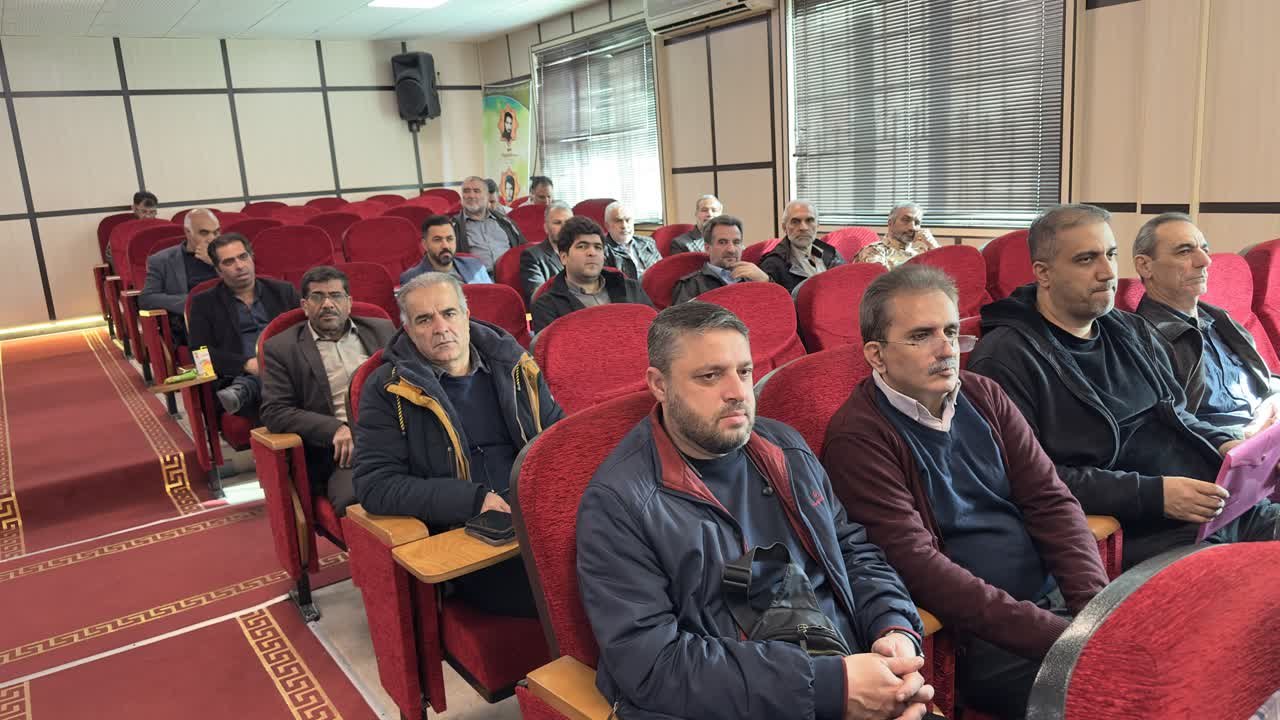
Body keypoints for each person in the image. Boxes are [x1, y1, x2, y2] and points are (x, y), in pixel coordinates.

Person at [577, 302, 933, 720]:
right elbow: (653, 665)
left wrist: (894, 628)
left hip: (856, 669)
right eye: (710, 376)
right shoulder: (619, 502)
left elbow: (853, 552)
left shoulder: (786, 447)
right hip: (758, 703)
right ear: (659, 384)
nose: (737, 392)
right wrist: (832, 688)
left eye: (744, 371)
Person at [824, 265, 1108, 719]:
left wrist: (1096, 610)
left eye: (952, 331)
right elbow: (921, 568)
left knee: (1170, 656)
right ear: (876, 355)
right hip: (980, 639)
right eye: (922, 336)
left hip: (1053, 605)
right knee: (1117, 695)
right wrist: (1063, 638)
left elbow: (1051, 501)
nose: (947, 350)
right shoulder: (858, 437)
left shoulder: (983, 394)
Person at [967, 204, 1280, 568]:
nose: (1107, 272)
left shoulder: (1130, 330)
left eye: (1111, 255)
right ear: (1044, 273)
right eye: (1086, 259)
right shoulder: (1005, 358)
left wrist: (1230, 447)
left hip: (1217, 504)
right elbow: (1029, 479)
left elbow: (1177, 414)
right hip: (1144, 532)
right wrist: (1156, 495)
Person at [353, 272, 564, 617]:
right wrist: (474, 500)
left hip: (540, 514)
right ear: (408, 329)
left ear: (466, 315)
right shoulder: (387, 388)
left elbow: (559, 440)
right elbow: (375, 485)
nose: (441, 328)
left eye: (449, 313)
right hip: (470, 535)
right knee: (572, 586)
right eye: (424, 319)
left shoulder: (515, 364)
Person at [260, 266, 395, 514]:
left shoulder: (383, 331)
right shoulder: (282, 348)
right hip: (345, 455)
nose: (327, 304)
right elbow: (275, 411)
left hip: (397, 437)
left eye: (335, 296)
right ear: (305, 305)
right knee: (359, 502)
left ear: (349, 302)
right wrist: (334, 428)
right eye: (317, 297)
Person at [1131, 212, 1280, 433]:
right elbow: (1167, 426)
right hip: (1227, 444)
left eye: (1204, 249)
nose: (1205, 261)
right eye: (1184, 251)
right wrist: (1244, 439)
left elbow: (1265, 380)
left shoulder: (1221, 320)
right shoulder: (1140, 340)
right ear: (1145, 266)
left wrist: (1275, 401)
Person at [187, 233, 299, 417]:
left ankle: (246, 389)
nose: (239, 266)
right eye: (229, 262)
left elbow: (305, 331)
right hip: (239, 373)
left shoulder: (283, 291)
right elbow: (199, 353)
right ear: (218, 270)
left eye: (243, 257)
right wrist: (245, 364)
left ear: (252, 258)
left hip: (287, 365)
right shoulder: (204, 303)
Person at [530, 216, 652, 332]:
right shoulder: (547, 306)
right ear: (564, 257)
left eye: (598, 247)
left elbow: (656, 333)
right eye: (582, 246)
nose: (592, 253)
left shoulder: (631, 289)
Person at [139, 208, 220, 344]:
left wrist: (216, 263)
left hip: (231, 316)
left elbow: (247, 288)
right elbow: (147, 299)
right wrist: (191, 302)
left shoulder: (231, 256)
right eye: (204, 233)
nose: (212, 239)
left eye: (216, 232)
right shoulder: (162, 260)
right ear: (188, 232)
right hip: (191, 322)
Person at [671, 214, 768, 304]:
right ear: (707, 248)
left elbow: (773, 309)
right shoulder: (691, 285)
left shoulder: (754, 278)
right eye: (722, 242)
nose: (731, 250)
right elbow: (681, 317)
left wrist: (767, 282)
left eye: (736, 242)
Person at [760, 200, 844, 293]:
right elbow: (775, 299)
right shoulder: (773, 264)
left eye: (809, 220)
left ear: (817, 225)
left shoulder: (831, 253)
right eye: (795, 222)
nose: (803, 228)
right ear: (784, 227)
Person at [451, 176, 525, 272]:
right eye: (466, 191)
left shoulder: (505, 221)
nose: (471, 195)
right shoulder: (453, 227)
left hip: (511, 274)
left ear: (487, 196)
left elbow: (523, 249)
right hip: (474, 278)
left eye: (476, 191)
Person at [401, 214, 492, 286]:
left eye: (450, 239)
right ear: (424, 244)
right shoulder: (412, 279)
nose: (445, 246)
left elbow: (491, 297)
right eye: (437, 240)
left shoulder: (475, 265)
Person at [854, 203, 940, 270]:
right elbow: (881, 282)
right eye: (906, 220)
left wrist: (933, 246)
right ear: (890, 223)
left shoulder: (920, 253)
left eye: (917, 223)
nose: (912, 228)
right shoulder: (873, 251)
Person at [518, 200, 570, 302]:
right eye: (557, 223)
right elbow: (539, 297)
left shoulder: (583, 252)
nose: (564, 228)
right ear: (546, 228)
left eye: (568, 223)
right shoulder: (532, 256)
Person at [603, 201, 661, 279]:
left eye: (628, 220)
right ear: (607, 226)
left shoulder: (648, 243)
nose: (624, 226)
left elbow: (663, 269)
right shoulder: (603, 250)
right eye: (618, 221)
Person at [106, 191, 160, 265]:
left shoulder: (163, 227)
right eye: (144, 211)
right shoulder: (120, 231)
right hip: (131, 268)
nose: (148, 216)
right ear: (134, 208)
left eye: (152, 212)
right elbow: (111, 257)